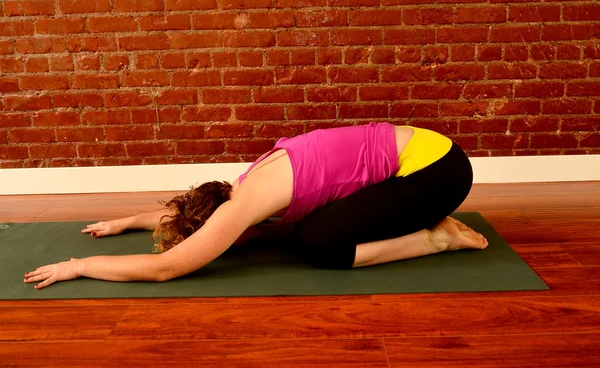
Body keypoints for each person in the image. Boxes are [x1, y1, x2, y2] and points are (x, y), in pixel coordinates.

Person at [24, 122, 488, 289]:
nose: (232, 245)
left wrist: (78, 267)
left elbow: (164, 269)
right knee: (304, 230)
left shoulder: (245, 203)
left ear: (220, 221)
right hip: (432, 152)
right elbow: (190, 214)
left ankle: (436, 238)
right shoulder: (244, 182)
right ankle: (429, 226)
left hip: (439, 174)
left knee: (316, 244)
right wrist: (126, 221)